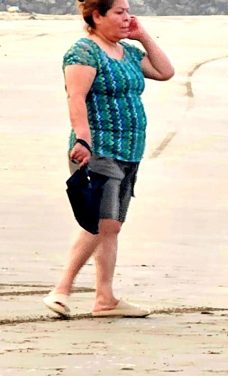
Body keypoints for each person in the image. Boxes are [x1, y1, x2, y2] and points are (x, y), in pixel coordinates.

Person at [43, 0, 174, 318]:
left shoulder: (128, 52)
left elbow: (165, 71)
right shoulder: (84, 52)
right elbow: (75, 97)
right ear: (97, 15)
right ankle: (61, 290)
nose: (127, 16)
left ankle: (105, 299)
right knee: (100, 221)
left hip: (130, 149)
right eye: (119, 12)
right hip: (98, 148)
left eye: (128, 11)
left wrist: (142, 36)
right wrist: (83, 140)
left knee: (111, 225)